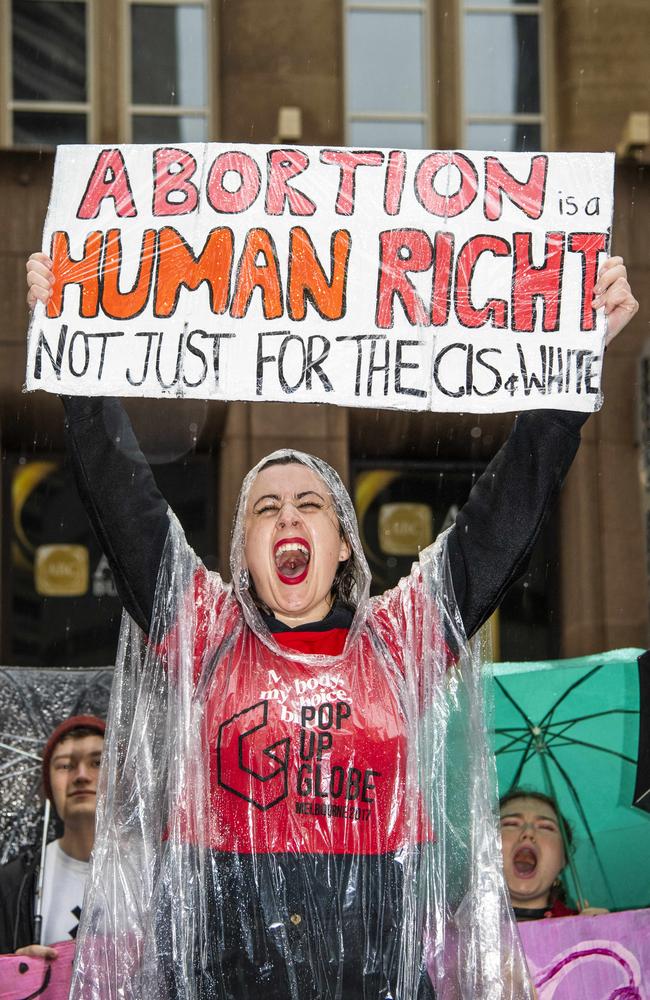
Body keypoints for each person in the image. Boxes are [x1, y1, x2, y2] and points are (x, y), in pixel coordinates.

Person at [25, 254, 637, 999]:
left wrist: (569, 373)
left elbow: (501, 517)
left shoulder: (400, 636)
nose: (287, 515)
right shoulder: (205, 627)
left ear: (343, 540)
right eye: (265, 507)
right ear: (243, 551)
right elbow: (125, 504)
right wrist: (71, 346)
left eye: (309, 504)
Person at [0, 715, 105, 958]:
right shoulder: (11, 885)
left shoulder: (158, 876)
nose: (80, 775)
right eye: (65, 765)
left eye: (97, 762)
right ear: (48, 787)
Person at [499, 789, 608, 921]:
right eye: (511, 823)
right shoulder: (467, 925)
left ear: (564, 858)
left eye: (546, 827)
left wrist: (606, 934)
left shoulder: (585, 931)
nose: (528, 832)